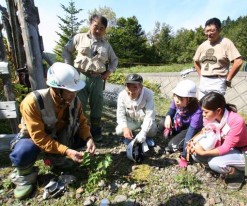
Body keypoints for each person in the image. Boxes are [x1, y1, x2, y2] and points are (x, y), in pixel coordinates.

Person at [9, 62, 96, 199]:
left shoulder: (74, 100)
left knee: (83, 138)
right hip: (34, 138)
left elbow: (82, 122)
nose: (73, 95)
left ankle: (55, 159)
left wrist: (89, 138)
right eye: (69, 91)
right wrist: (66, 151)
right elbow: (39, 138)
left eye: (75, 91)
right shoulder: (32, 102)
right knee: (24, 151)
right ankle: (24, 176)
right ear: (55, 89)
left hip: (59, 137)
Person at [62, 14, 118, 142]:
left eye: (102, 28)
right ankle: (79, 132)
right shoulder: (79, 38)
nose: (98, 30)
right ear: (90, 25)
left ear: (105, 29)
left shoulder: (107, 46)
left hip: (98, 79)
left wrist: (108, 72)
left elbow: (114, 61)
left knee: (97, 105)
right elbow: (66, 50)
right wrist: (68, 67)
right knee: (78, 105)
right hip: (80, 76)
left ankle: (95, 131)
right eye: (95, 26)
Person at [187, 92, 247, 190]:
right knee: (195, 154)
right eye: (202, 111)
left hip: (244, 153)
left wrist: (204, 152)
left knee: (214, 162)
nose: (203, 115)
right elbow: (205, 133)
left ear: (218, 111)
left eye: (206, 112)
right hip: (227, 150)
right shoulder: (209, 118)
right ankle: (222, 168)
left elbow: (225, 148)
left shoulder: (236, 121)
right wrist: (193, 142)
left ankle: (236, 174)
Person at [193, 17, 243, 99]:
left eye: (212, 30)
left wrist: (229, 78)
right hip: (204, 81)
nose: (209, 33)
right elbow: (196, 61)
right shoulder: (203, 45)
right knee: (202, 106)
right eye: (207, 31)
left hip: (218, 81)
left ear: (219, 30)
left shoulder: (226, 43)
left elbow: (238, 61)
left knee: (214, 108)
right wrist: (201, 75)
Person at [159, 79, 203, 168]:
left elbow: (190, 134)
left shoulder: (197, 112)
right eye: (175, 96)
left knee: (171, 146)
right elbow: (171, 111)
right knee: (161, 122)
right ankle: (174, 137)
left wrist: (184, 156)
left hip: (187, 130)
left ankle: (176, 141)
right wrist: (168, 117)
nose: (177, 101)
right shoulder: (176, 101)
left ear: (190, 99)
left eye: (181, 99)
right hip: (178, 124)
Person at [115, 74, 157, 148]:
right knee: (119, 130)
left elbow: (150, 115)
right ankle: (130, 135)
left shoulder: (148, 94)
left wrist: (143, 132)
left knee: (152, 130)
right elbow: (120, 114)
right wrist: (125, 128)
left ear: (141, 87)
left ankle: (146, 137)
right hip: (131, 120)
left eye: (135, 87)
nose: (131, 91)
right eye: (128, 87)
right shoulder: (122, 95)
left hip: (144, 120)